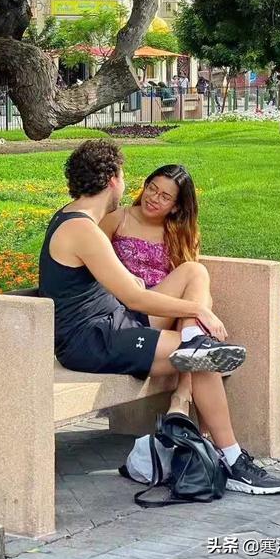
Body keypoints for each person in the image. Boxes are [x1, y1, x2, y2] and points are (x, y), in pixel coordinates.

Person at [38, 139, 280, 494]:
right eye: (123, 176)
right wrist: (198, 309)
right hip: (93, 340)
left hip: (113, 323)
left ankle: (193, 342)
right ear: (112, 179)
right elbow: (133, 295)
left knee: (192, 276)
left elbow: (122, 287)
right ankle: (233, 462)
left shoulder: (77, 220)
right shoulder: (83, 229)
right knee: (202, 360)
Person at [100, 165, 199, 418]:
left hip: (163, 315)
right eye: (152, 188)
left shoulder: (180, 231)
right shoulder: (117, 219)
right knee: (195, 276)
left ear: (176, 206)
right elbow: (92, 270)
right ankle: (183, 394)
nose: (153, 198)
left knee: (194, 277)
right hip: (126, 314)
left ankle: (184, 389)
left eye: (165, 196)